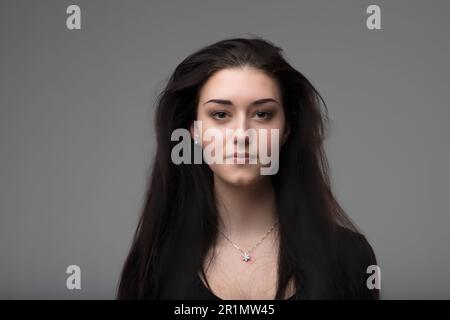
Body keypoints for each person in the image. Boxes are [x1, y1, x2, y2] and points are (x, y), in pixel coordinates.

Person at [117, 36, 380, 300]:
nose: (242, 135)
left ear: (286, 129)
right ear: (194, 130)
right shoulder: (152, 263)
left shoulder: (350, 257)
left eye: (262, 114)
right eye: (220, 115)